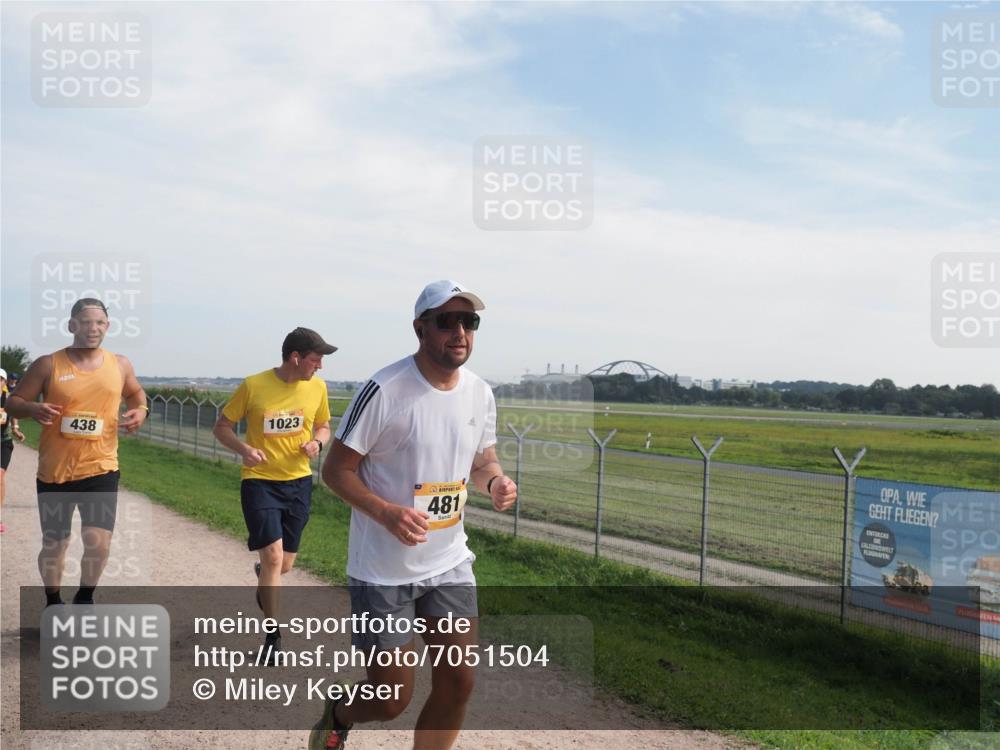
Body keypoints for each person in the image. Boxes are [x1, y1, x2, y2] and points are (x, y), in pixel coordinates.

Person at [314, 281, 518, 750]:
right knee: (390, 700)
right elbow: (336, 470)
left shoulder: (480, 393)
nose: (460, 331)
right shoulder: (385, 389)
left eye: (469, 322)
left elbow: (483, 462)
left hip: (448, 563)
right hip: (382, 571)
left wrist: (496, 484)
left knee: (459, 681)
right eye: (446, 321)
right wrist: (386, 513)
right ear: (419, 328)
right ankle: (340, 713)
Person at [5, 298, 147, 605]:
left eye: (99, 323)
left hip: (101, 468)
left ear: (107, 327)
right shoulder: (48, 364)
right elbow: (12, 402)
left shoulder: (120, 364)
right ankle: (53, 599)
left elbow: (136, 393)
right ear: (72, 325)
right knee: (56, 544)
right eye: (85, 322)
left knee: (98, 542)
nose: (92, 328)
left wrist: (141, 409)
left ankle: (85, 597)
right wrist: (32, 407)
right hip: (56, 471)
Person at [213, 327, 335, 662]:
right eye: (316, 358)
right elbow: (221, 426)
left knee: (285, 564)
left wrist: (317, 442)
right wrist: (244, 449)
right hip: (260, 481)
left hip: (298, 483)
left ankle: (265, 576)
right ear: (296, 357)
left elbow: (324, 425)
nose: (320, 366)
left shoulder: (318, 388)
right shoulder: (254, 385)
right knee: (274, 558)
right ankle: (273, 638)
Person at [1, 368, 27, 533]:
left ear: (4, 382)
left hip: (3, 442)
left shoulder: (8, 398)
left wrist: (16, 428)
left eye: (0, 379)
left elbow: (14, 413)